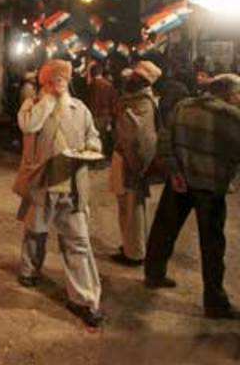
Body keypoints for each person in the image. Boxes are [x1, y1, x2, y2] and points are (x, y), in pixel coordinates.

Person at [13, 59, 104, 327]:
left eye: (63, 79)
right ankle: (29, 271)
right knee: (35, 231)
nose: (60, 83)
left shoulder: (80, 109)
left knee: (78, 242)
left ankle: (84, 300)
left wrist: (91, 146)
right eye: (54, 79)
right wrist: (49, 101)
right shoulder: (32, 108)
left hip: (72, 186)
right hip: (42, 183)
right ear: (45, 82)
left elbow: (94, 136)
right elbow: (28, 126)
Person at [145, 74, 240, 319]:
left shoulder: (183, 106)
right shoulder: (232, 118)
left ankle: (153, 274)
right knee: (212, 245)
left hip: (180, 182)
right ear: (229, 94)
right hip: (211, 188)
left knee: (164, 229)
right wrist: (231, 181)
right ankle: (215, 302)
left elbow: (164, 142)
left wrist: (175, 172)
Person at [110, 61, 162, 266]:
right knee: (127, 207)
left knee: (132, 209)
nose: (129, 79)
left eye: (134, 78)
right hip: (126, 158)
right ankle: (132, 246)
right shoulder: (135, 100)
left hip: (132, 162)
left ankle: (134, 253)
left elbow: (140, 138)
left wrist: (137, 164)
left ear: (142, 81)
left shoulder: (142, 103)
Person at [87, 62, 117, 159]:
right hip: (105, 115)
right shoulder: (109, 85)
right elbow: (113, 101)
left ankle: (96, 158)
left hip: (93, 115)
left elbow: (89, 100)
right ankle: (102, 158)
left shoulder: (91, 85)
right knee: (103, 138)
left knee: (95, 138)